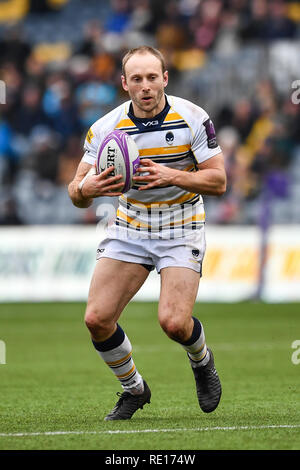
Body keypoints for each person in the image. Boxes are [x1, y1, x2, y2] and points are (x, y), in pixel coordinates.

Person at [68, 46, 226, 421]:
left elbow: (219, 181)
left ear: (165, 78)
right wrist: (86, 191)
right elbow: (75, 191)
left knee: (173, 323)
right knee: (96, 319)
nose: (145, 86)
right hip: (130, 224)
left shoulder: (192, 118)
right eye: (136, 79)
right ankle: (134, 389)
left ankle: (202, 361)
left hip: (181, 223)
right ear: (124, 84)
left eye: (152, 77)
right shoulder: (106, 128)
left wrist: (172, 175)